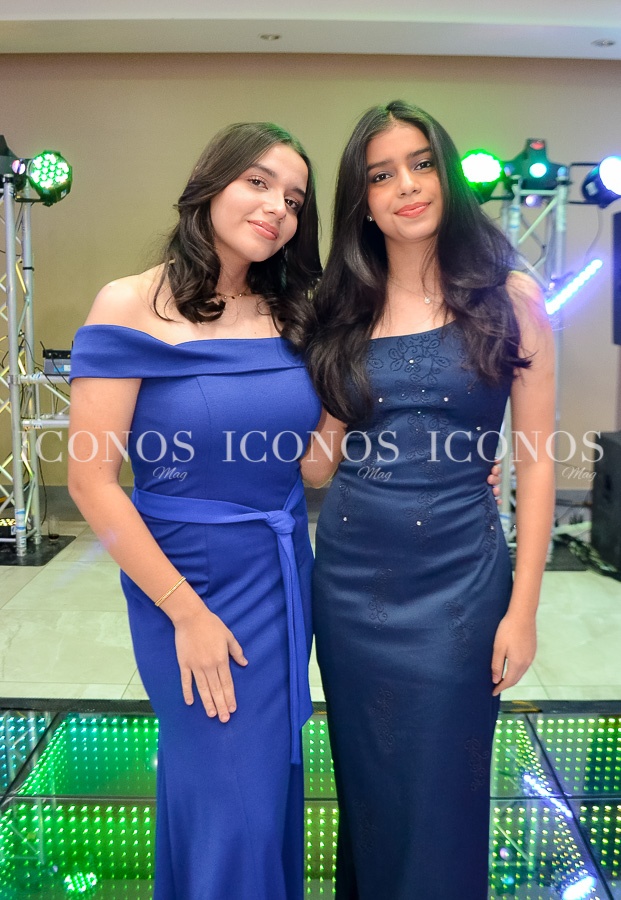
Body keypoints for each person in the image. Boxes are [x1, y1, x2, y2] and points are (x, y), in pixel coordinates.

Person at [304, 100, 555, 899]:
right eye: (380, 175)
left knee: (445, 791)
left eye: (419, 164)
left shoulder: (511, 297)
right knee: (370, 789)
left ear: (446, 173)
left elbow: (536, 466)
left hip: (460, 584)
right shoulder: (340, 309)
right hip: (351, 586)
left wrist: (523, 609)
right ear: (361, 200)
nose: (405, 187)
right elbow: (317, 468)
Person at [68, 122, 323, 900]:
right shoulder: (129, 303)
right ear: (209, 185)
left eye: (294, 199)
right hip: (185, 583)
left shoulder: (291, 313)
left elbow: (313, 465)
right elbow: (90, 482)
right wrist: (185, 612)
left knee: (258, 798)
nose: (276, 208)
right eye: (258, 183)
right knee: (229, 803)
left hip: (281, 573)